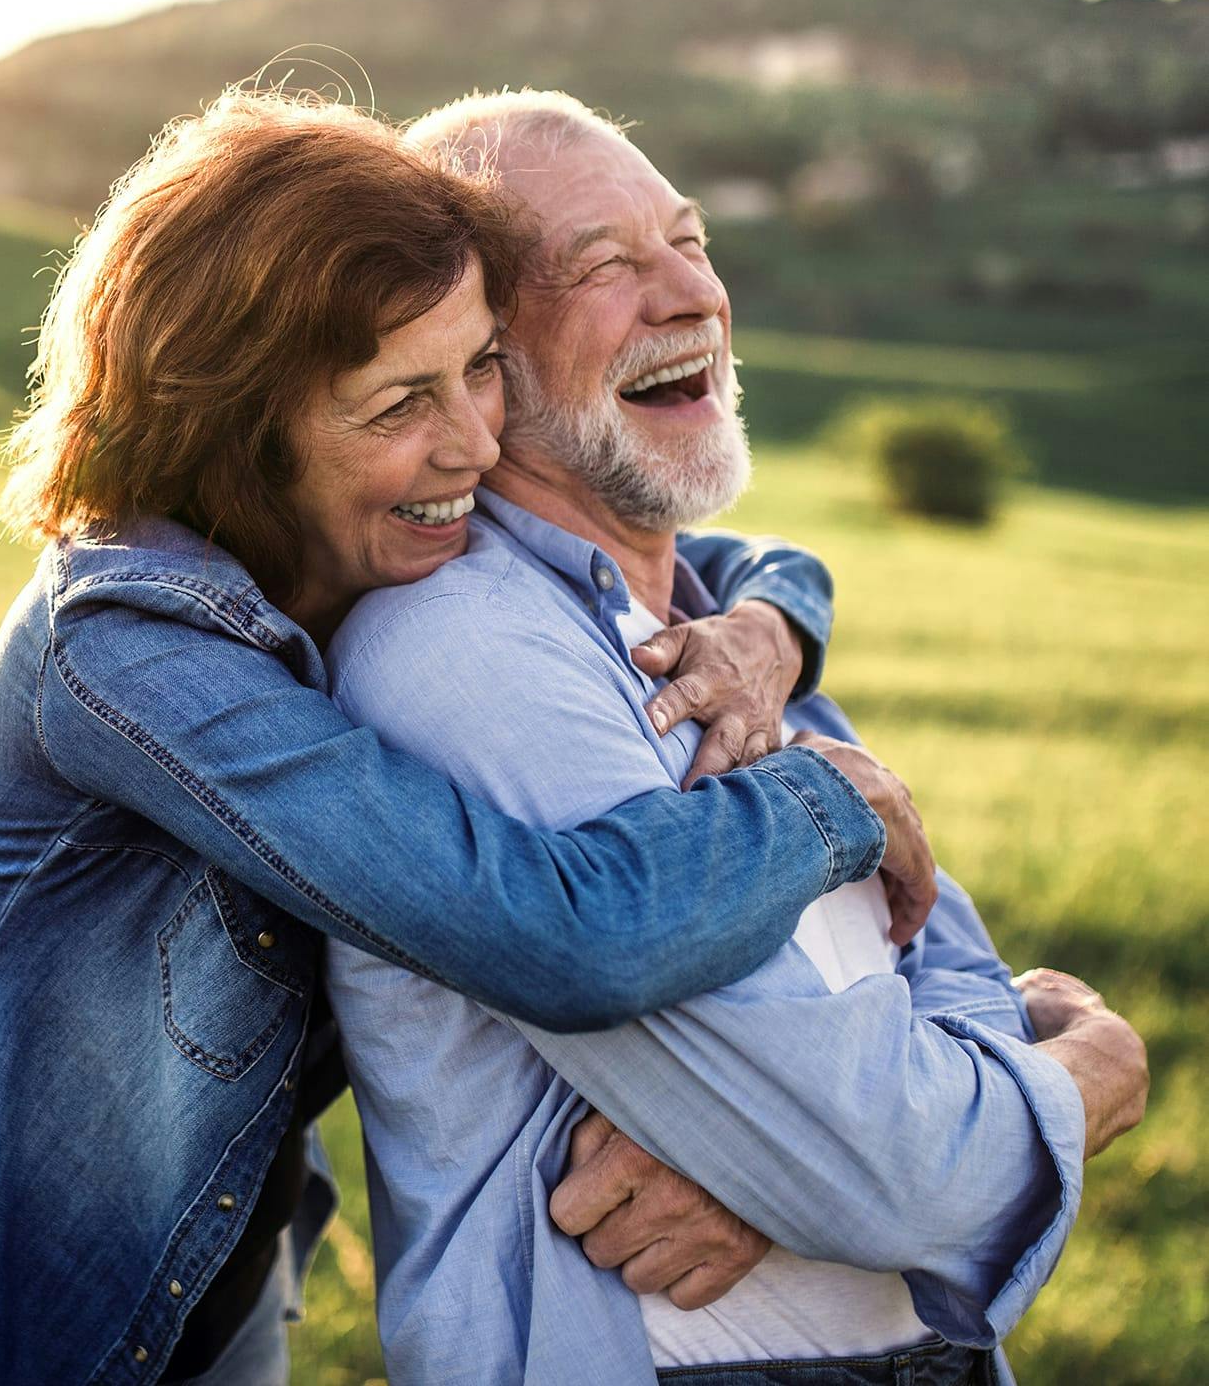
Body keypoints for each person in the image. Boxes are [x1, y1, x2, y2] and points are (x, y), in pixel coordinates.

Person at [0, 91, 934, 1386]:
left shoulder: (356, 538)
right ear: (242, 429)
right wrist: (829, 803)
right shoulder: (128, 651)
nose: (473, 441)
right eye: (397, 403)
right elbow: (555, 935)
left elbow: (718, 554)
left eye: (478, 364)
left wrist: (766, 632)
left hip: (211, 1270)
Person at [323, 91, 1150, 1386]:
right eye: (604, 265)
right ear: (481, 358)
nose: (688, 296)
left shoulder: (730, 636)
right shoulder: (466, 651)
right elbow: (892, 1171)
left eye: (690, 241)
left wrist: (792, 1163)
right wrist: (1097, 1068)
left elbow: (943, 977)